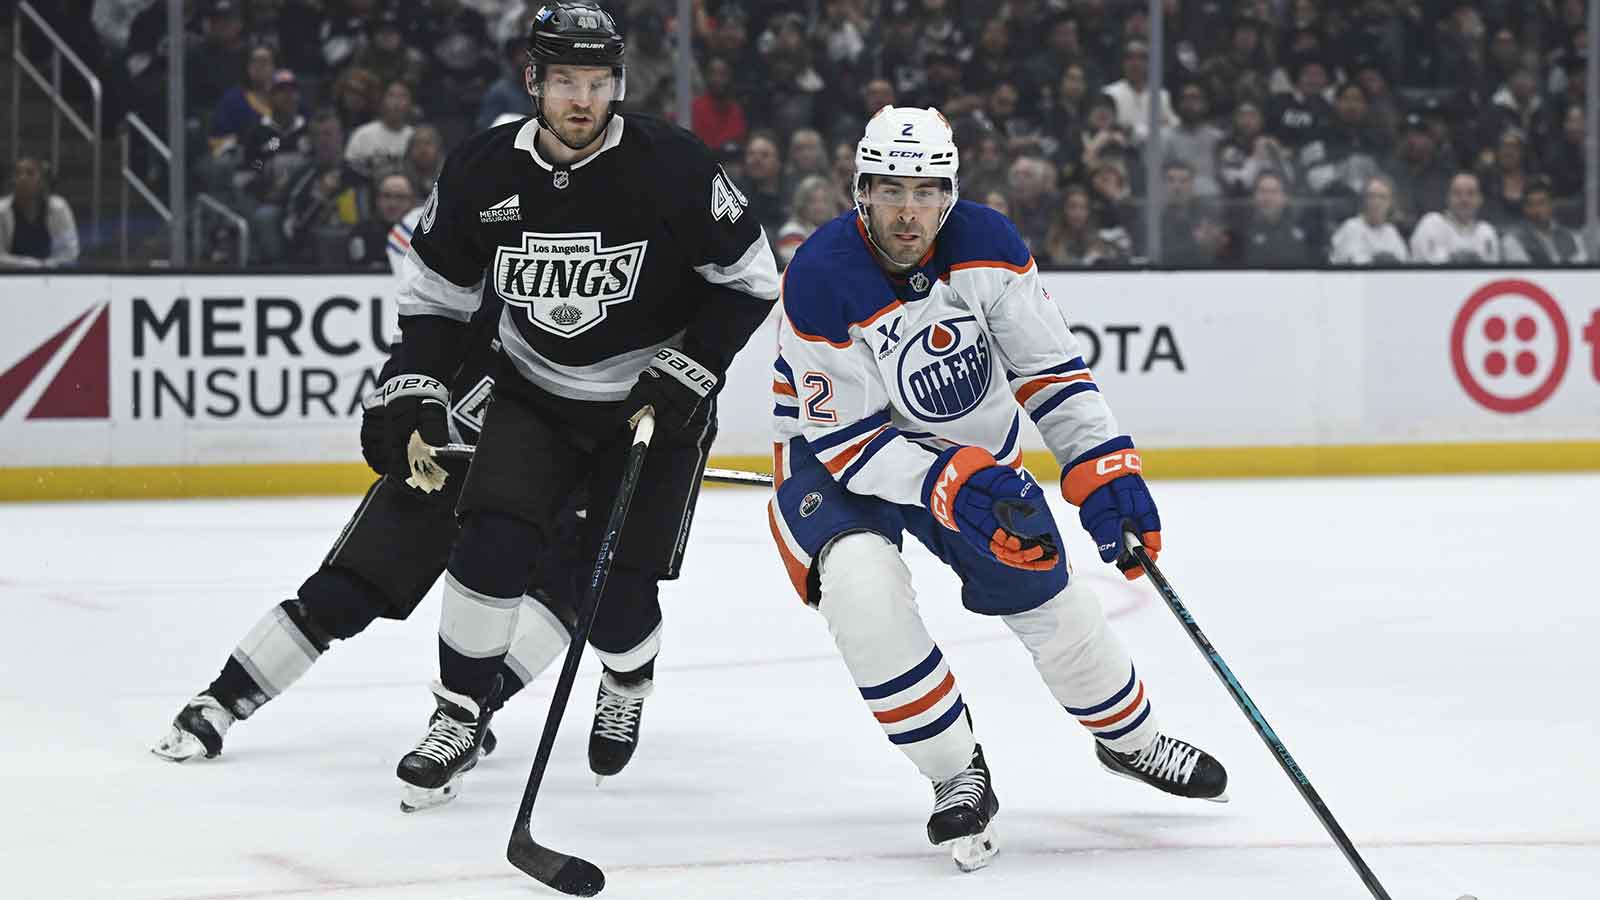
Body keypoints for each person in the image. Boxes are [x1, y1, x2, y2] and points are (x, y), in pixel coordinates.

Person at [768, 105, 1228, 873]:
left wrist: (1104, 468)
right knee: (864, 593)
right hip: (840, 461)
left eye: (924, 192)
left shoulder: (989, 245)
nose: (907, 212)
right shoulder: (820, 275)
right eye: (890, 190)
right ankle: (956, 772)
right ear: (861, 191)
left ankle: (1132, 741)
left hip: (970, 452)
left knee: (1054, 603)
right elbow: (848, 441)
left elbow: (1049, 372)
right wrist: (944, 481)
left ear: (948, 194)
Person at [384, 2, 779, 808]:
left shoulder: (671, 164)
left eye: (598, 82)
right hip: (534, 392)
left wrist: (689, 366)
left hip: (649, 405)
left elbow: (749, 280)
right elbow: (438, 293)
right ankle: (457, 714)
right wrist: (417, 384)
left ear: (619, 84)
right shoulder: (482, 169)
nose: (582, 100)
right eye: (565, 80)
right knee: (490, 539)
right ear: (534, 80)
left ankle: (627, 677)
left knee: (615, 597)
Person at [152, 212, 586, 781]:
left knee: (564, 591)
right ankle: (219, 703)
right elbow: (423, 334)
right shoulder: (490, 237)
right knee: (342, 595)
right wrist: (393, 406)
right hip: (444, 460)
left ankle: (467, 714)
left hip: (548, 472)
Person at [0, 157, 80, 268]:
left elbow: (70, 252)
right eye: (18, 174)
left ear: (42, 181)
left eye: (30, 173)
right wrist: (32, 265)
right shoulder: (2, 210)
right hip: (10, 274)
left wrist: (47, 266)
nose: (22, 178)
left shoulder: (59, 208)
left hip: (52, 273)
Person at [1409, 172, 1500, 264]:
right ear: (1448, 198)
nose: (1464, 199)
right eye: (1457, 193)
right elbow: (1425, 263)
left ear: (1480, 199)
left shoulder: (1487, 231)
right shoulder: (1431, 223)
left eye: (1471, 194)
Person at [1502, 176, 1588, 264]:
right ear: (1525, 208)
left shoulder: (1572, 237)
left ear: (1551, 205)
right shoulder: (1513, 240)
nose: (1537, 210)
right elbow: (1523, 270)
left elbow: (1580, 267)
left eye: (1542, 203)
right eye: (1531, 204)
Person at [1329, 175, 1409, 265]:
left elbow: (1404, 261)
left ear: (1390, 203)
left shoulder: (1391, 231)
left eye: (1382, 197)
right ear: (1363, 200)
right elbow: (1352, 263)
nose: (1376, 202)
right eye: (1371, 196)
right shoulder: (1351, 227)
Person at [346, 80, 417, 179]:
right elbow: (349, 169)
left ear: (410, 103)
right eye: (391, 96)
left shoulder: (415, 137)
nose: (396, 102)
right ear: (382, 101)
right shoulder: (362, 135)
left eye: (402, 96)